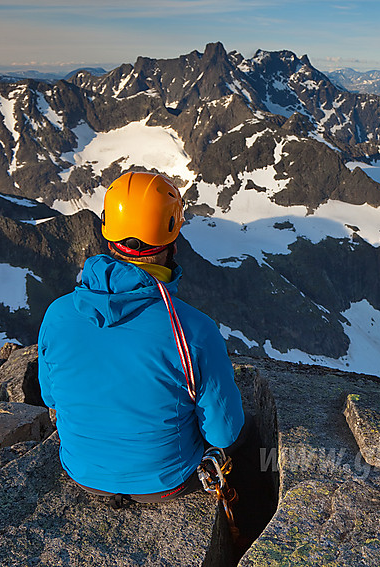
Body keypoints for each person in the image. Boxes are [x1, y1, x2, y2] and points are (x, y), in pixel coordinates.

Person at [37, 171, 250, 506]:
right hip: (167, 481)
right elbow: (223, 433)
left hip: (83, 473)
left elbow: (51, 398)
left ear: (109, 238)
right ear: (172, 242)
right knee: (246, 431)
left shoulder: (57, 315)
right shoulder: (194, 330)